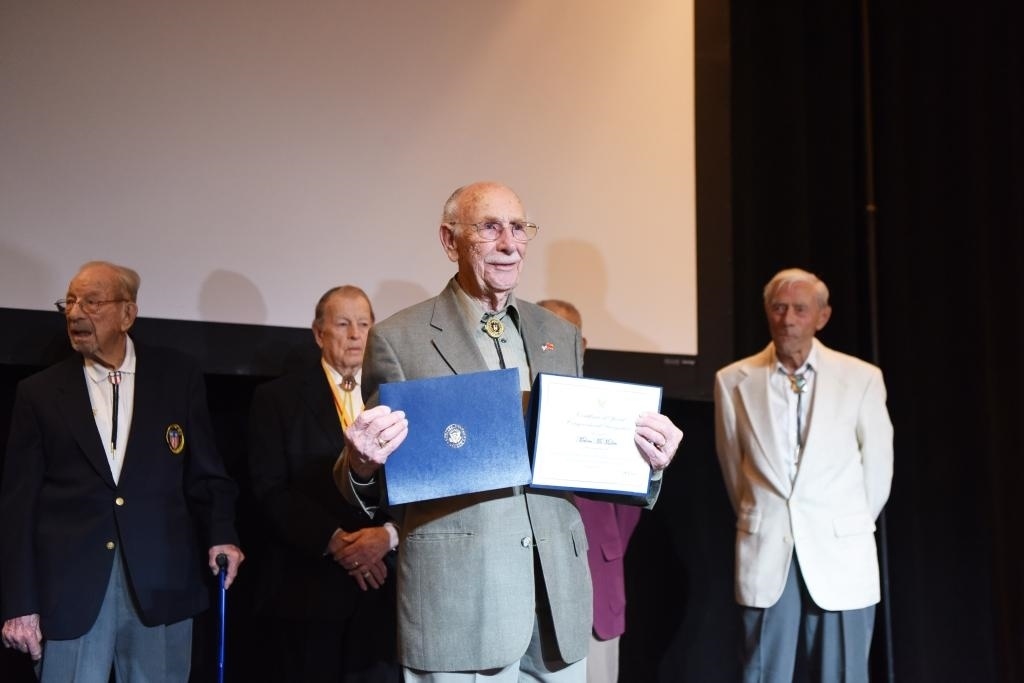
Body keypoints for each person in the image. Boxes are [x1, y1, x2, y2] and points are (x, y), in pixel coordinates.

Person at [332, 181, 683, 682]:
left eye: (518, 228)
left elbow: (578, 452)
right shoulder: (399, 337)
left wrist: (646, 462)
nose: (509, 244)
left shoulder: (558, 334)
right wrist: (363, 461)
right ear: (450, 241)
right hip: (460, 606)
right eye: (490, 228)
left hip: (556, 604)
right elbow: (371, 474)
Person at [0, 260, 245, 682]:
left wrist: (222, 533)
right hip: (70, 591)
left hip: (160, 583)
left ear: (128, 313)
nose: (76, 314)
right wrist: (20, 603)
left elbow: (207, 473)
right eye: (69, 302)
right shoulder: (39, 392)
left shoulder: (177, 376)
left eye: (91, 302)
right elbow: (18, 507)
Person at [713, 267, 894, 683]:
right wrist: (768, 514)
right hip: (768, 549)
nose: (788, 319)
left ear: (822, 317)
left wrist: (842, 520)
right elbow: (733, 467)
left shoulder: (862, 378)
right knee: (762, 673)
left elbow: (878, 470)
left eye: (799, 309)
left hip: (840, 549)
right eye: (779, 308)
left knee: (843, 673)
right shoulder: (733, 380)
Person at [247, 285, 400, 682]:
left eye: (364, 324)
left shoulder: (397, 398)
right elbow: (269, 489)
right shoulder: (276, 398)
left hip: (383, 592)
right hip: (306, 590)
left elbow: (418, 482)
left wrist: (386, 536)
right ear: (318, 333)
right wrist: (336, 541)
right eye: (343, 324)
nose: (355, 335)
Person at [537, 299, 642, 683]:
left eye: (565, 337)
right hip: (532, 591)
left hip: (599, 582)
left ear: (582, 345)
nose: (554, 346)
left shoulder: (611, 407)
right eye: (545, 337)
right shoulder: (517, 403)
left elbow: (628, 506)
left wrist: (603, 548)